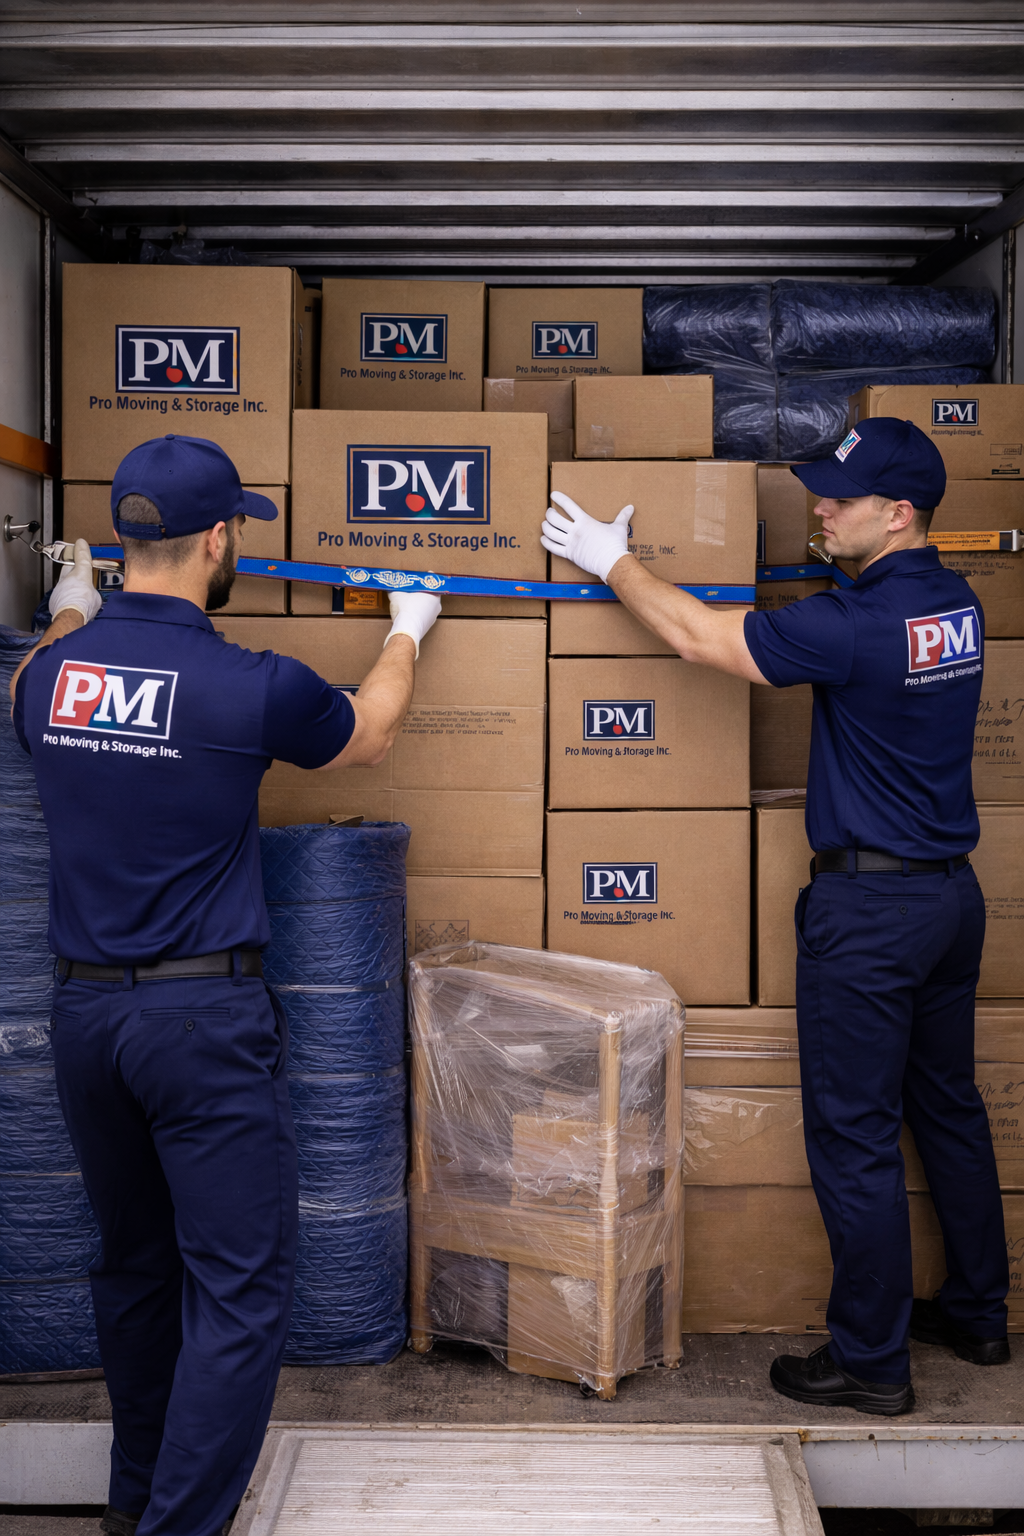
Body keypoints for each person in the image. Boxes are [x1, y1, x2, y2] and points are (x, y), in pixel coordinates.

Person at [10, 433, 441, 1536]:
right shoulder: (251, 685)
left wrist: (71, 605)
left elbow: (28, 673)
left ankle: (133, 1509)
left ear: (125, 542)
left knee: (136, 1271)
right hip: (200, 1024)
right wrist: (407, 627)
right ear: (217, 538)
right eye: (238, 526)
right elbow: (368, 734)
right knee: (240, 1290)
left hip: (87, 1021)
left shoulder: (52, 678)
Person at [540, 415, 1010, 1417]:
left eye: (842, 498)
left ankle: (872, 1362)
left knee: (854, 1136)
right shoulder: (954, 606)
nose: (819, 509)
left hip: (870, 914)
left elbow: (697, 637)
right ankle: (978, 1314)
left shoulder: (855, 624)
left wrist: (611, 561)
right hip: (947, 899)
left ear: (901, 513)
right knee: (946, 1109)